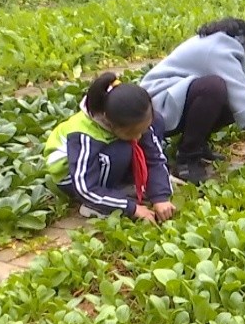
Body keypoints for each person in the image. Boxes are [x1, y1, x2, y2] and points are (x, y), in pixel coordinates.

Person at [139, 6, 245, 184]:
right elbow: (243, 103)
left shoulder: (234, 41)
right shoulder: (221, 49)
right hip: (156, 107)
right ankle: (187, 157)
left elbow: (235, 76)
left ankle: (197, 143)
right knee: (215, 88)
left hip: (176, 97)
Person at [44, 73, 176, 224]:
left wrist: (160, 196)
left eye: (142, 130)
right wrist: (131, 208)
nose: (138, 136)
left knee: (154, 125)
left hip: (102, 163)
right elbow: (85, 188)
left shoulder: (135, 118)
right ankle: (98, 205)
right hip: (74, 178)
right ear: (110, 123)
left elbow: (154, 158)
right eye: (132, 132)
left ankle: (123, 188)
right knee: (122, 150)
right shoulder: (83, 136)